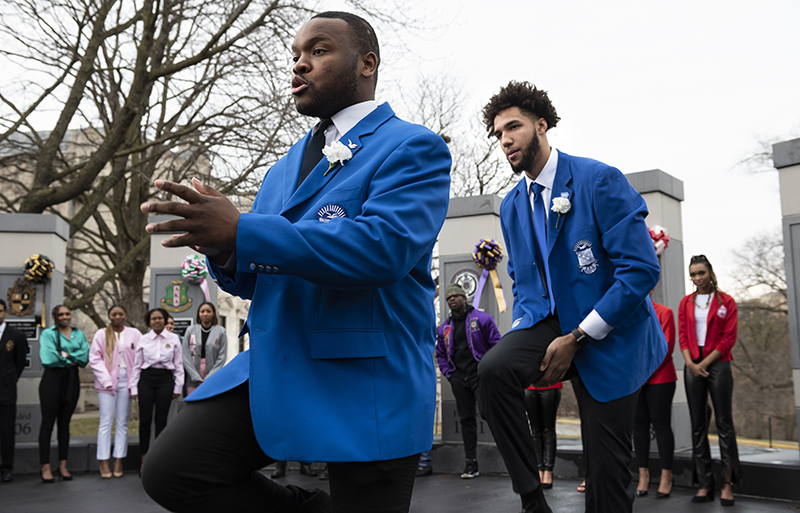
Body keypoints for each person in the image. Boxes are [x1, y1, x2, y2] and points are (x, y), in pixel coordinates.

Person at [139, 11, 450, 513]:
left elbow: (383, 249)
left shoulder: (413, 147)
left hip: (365, 378)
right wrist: (223, 247)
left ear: (367, 63)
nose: (300, 65)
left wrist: (243, 229)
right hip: (276, 364)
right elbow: (259, 279)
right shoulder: (282, 169)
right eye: (295, 56)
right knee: (173, 472)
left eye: (319, 51)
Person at [477, 81, 666, 513]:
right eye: (497, 133)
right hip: (549, 320)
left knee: (606, 476)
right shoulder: (511, 206)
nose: (504, 139)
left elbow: (640, 272)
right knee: (493, 371)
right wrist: (524, 336)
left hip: (614, 333)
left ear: (542, 126)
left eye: (513, 127)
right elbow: (524, 286)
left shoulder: (599, 180)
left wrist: (578, 337)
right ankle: (531, 498)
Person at [679, 254, 740, 507]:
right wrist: (692, 364)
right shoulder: (685, 303)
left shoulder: (727, 301)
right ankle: (705, 483)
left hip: (719, 364)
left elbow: (728, 338)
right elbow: (682, 334)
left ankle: (727, 484)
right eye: (693, 274)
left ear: (710, 272)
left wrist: (704, 363)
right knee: (697, 424)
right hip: (692, 365)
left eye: (701, 273)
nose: (697, 278)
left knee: (724, 423)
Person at [435, 283, 500, 479]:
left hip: (480, 377)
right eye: (448, 298)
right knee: (466, 420)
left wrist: (488, 370)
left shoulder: (482, 319)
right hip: (459, 379)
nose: (451, 299)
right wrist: (449, 374)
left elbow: (497, 345)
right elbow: (440, 355)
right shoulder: (444, 328)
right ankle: (471, 463)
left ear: (465, 298)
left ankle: (510, 455)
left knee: (490, 415)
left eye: (455, 296)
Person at [38, 304, 89, 482]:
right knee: (47, 424)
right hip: (52, 380)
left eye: (67, 314)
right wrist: (72, 356)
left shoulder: (79, 334)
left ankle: (63, 465)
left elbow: (84, 358)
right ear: (55, 316)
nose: (65, 317)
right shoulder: (48, 334)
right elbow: (50, 358)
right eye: (61, 314)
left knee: (65, 424)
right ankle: (45, 466)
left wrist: (66, 355)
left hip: (72, 381)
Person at [89, 305, 141, 478]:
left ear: (125, 316)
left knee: (122, 422)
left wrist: (135, 384)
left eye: (120, 314)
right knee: (105, 421)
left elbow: (140, 358)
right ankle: (103, 461)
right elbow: (95, 359)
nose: (117, 317)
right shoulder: (101, 334)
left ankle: (119, 459)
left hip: (127, 382)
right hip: (107, 384)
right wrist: (106, 380)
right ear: (109, 316)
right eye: (114, 314)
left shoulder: (134, 333)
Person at [130, 308, 183, 475]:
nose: (157, 321)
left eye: (160, 318)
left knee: (161, 421)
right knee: (145, 421)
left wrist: (178, 386)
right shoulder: (144, 339)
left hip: (165, 380)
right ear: (149, 322)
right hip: (146, 379)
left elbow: (179, 365)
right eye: (153, 319)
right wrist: (133, 387)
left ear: (165, 320)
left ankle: (158, 460)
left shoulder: (174, 339)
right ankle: (144, 459)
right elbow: (137, 365)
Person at [633, 295, 677, 498]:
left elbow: (666, 348)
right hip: (636, 380)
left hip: (661, 378)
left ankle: (667, 476)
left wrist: (644, 374)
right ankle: (643, 476)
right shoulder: (629, 312)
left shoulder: (664, 312)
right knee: (639, 427)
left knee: (661, 425)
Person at [0, 299, 28, 483]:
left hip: (5, 390)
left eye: (0, 311)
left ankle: (7, 468)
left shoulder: (16, 335)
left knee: (7, 431)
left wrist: (9, 379)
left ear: (5, 312)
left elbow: (19, 363)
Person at [182, 302, 227, 396]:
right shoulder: (191, 330)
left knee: (210, 405)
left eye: (208, 311)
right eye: (202, 311)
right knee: (193, 405)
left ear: (213, 313)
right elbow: (185, 355)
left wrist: (211, 376)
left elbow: (222, 356)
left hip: (213, 376)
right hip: (193, 377)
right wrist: (195, 376)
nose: (205, 314)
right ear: (198, 313)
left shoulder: (220, 331)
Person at [523, 382, 561, 490]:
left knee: (548, 429)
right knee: (535, 430)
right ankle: (539, 469)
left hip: (550, 384)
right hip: (529, 385)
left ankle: (548, 470)